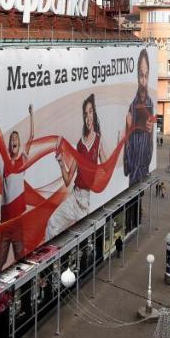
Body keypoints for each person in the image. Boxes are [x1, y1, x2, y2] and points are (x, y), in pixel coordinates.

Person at [0, 104, 44, 273]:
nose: (13, 141)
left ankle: (22, 282)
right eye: (11, 139)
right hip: (6, 221)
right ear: (8, 145)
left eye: (16, 139)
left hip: (18, 220)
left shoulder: (23, 159)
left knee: (20, 257)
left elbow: (32, 136)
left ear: (18, 143)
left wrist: (31, 114)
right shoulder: (4, 163)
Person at [47, 95, 107, 238]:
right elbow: (68, 179)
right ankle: (57, 258)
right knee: (52, 223)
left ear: (94, 113)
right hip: (74, 197)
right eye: (85, 113)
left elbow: (105, 168)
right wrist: (61, 161)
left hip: (84, 203)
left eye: (91, 111)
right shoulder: (80, 144)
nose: (88, 116)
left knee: (84, 240)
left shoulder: (98, 140)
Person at [123, 49, 156, 185]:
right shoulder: (131, 106)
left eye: (146, 76)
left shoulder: (150, 104)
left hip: (144, 172)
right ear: (137, 76)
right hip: (132, 177)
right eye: (141, 76)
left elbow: (150, 152)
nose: (144, 81)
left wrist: (151, 130)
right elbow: (126, 165)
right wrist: (127, 128)